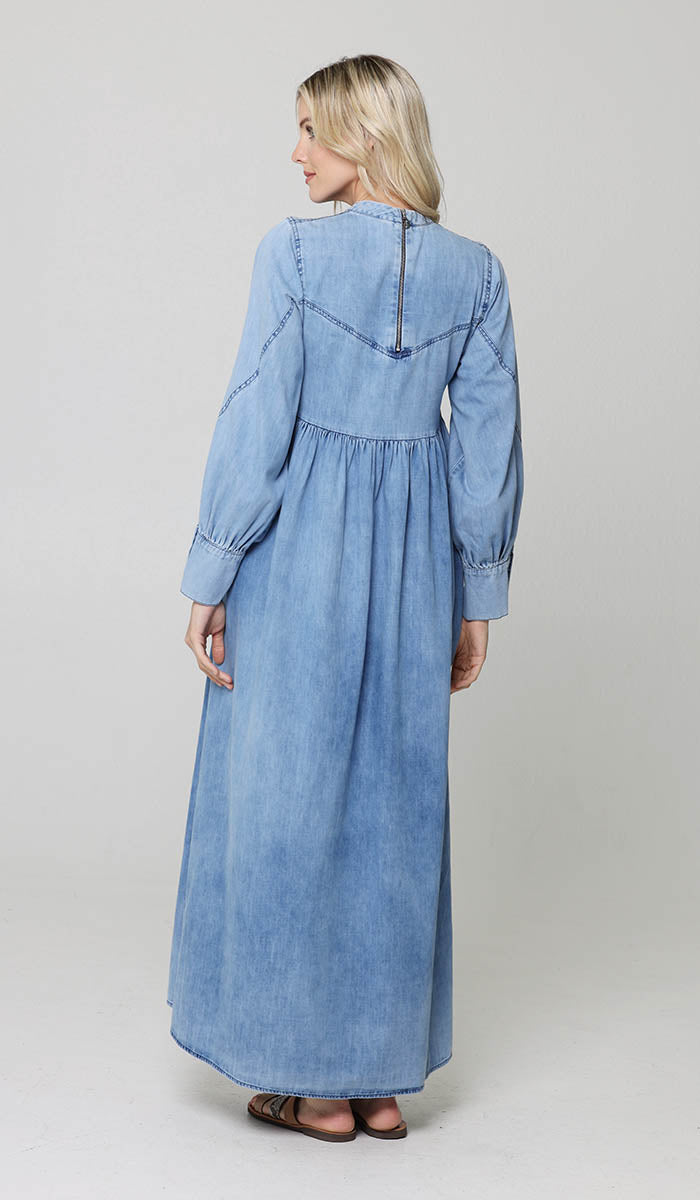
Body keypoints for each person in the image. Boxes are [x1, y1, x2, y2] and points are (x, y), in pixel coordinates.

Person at [167, 53, 524, 1144]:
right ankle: (377, 1084)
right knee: (393, 803)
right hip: (414, 562)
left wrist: (210, 572)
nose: (295, 152)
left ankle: (311, 1086)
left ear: (363, 138)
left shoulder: (292, 255)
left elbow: (257, 419)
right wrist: (475, 593)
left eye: (310, 131)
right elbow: (488, 450)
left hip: (298, 552)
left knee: (285, 802)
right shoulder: (478, 274)